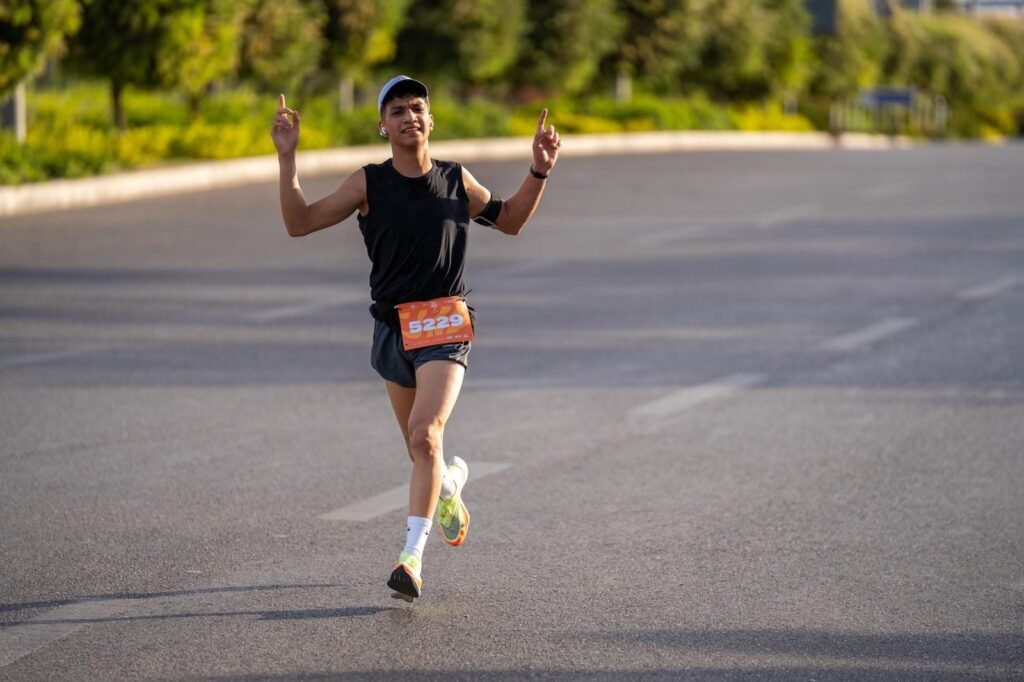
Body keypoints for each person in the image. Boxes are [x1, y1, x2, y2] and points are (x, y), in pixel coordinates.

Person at [270, 76, 561, 601]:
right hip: (391, 327)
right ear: (383, 125)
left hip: (447, 324)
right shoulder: (369, 183)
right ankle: (448, 488)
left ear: (431, 120)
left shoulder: (455, 180)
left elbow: (511, 220)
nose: (410, 116)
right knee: (418, 447)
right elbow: (300, 223)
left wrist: (538, 170)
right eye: (398, 109)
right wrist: (287, 160)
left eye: (418, 108)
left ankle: (411, 559)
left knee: (426, 434)